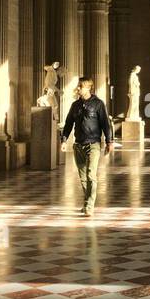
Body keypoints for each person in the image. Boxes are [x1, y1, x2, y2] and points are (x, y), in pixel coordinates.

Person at [60, 77, 113, 217]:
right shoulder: (75, 106)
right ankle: (86, 202)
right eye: (78, 86)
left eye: (80, 86)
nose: (78, 89)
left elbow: (105, 124)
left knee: (91, 175)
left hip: (93, 144)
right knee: (83, 178)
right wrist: (64, 140)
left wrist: (109, 142)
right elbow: (68, 124)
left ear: (89, 88)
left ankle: (89, 206)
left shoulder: (98, 104)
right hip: (78, 145)